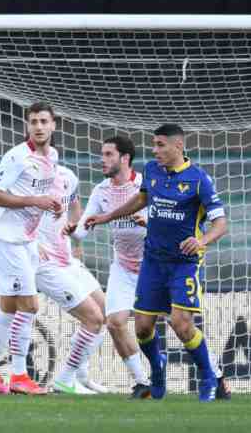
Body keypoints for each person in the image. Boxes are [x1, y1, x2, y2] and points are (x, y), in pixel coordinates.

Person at [85, 124, 228, 402]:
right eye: (154, 145)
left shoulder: (199, 179)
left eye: (161, 145)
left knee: (181, 324)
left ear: (178, 146)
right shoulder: (151, 170)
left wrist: (202, 241)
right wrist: (106, 217)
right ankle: (158, 370)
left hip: (183, 263)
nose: (155, 150)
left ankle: (209, 376)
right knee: (141, 327)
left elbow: (221, 224)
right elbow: (140, 199)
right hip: (152, 260)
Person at [0, 101, 62, 396]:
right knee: (30, 305)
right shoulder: (17, 157)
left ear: (53, 125)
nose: (38, 127)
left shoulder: (53, 156)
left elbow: (40, 194)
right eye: (33, 121)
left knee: (10, 307)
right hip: (5, 240)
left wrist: (52, 204)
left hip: (25, 241)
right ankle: (20, 375)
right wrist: (36, 202)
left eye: (43, 121)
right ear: (27, 126)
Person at [63, 136, 153, 398]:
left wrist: (147, 221)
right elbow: (83, 231)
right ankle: (142, 382)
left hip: (153, 266)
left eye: (108, 154)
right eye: (102, 154)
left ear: (125, 158)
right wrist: (71, 230)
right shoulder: (101, 190)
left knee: (180, 324)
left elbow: (163, 220)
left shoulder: (145, 185)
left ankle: (212, 374)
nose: (102, 159)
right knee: (114, 323)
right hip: (123, 267)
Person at [34, 164, 108, 394]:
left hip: (67, 260)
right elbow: (7, 217)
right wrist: (31, 243)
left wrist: (77, 241)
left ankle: (80, 375)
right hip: (44, 264)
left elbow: (75, 207)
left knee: (107, 312)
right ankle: (65, 379)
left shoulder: (68, 176)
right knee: (93, 318)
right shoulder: (25, 179)